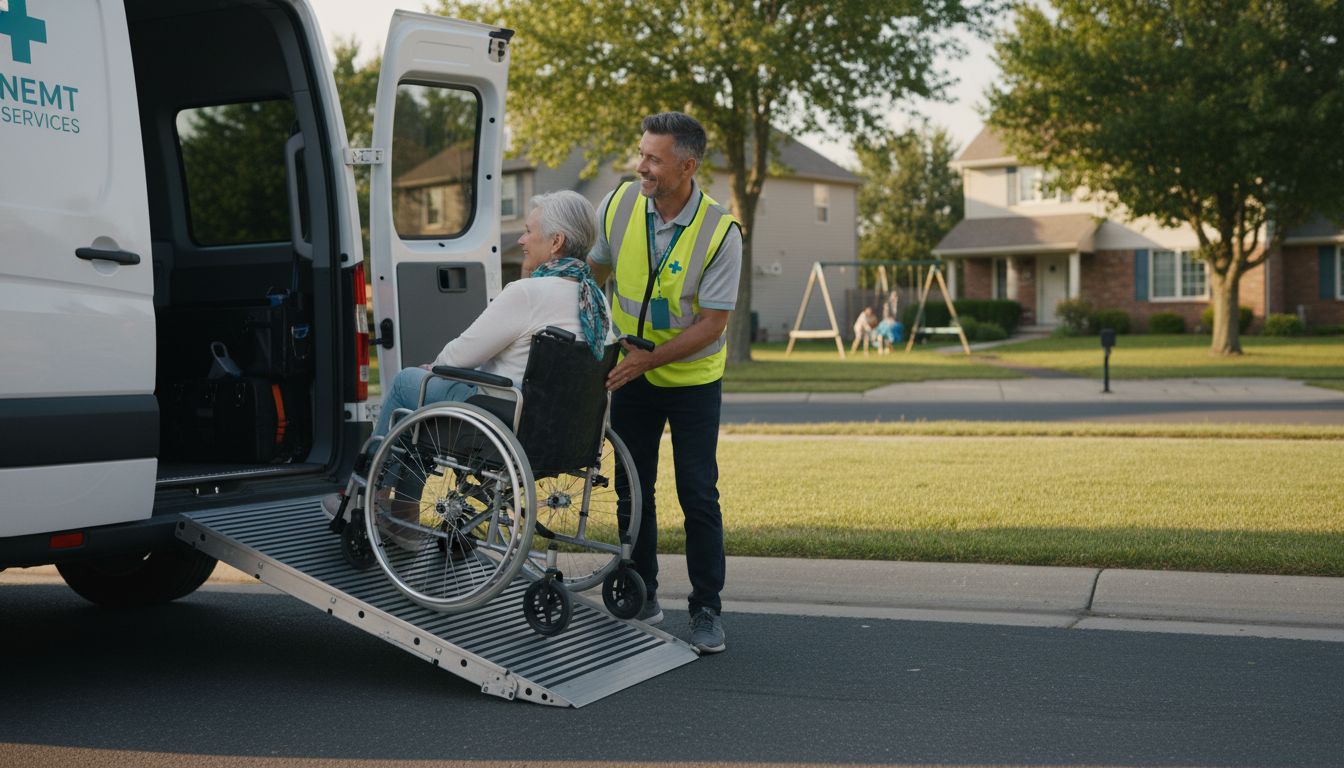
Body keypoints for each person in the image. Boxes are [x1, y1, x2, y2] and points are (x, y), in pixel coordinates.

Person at [324, 190, 611, 521]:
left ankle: (366, 497)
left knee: (410, 383)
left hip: (503, 424)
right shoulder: (596, 301)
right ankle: (403, 510)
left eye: (530, 231)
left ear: (556, 241)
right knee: (429, 392)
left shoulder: (528, 293)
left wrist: (436, 367)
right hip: (567, 435)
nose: (521, 239)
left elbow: (459, 356)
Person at [588, 112, 741, 654]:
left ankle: (706, 610)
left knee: (697, 493)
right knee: (633, 486)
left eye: (654, 158)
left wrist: (644, 362)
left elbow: (712, 324)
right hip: (631, 370)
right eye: (641, 154)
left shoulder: (721, 232)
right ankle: (641, 592)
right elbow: (595, 274)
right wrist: (595, 334)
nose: (641, 166)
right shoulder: (620, 204)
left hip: (692, 379)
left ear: (687, 166)